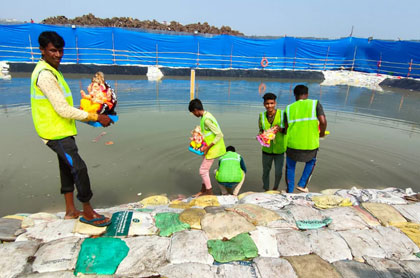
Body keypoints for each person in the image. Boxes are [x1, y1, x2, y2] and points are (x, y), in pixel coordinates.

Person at [30, 31, 113, 227]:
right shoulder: (45, 75)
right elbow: (63, 109)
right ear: (42, 50)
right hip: (55, 132)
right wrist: (96, 117)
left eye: (60, 50)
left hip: (60, 129)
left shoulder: (52, 70)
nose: (58, 55)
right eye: (53, 51)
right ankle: (88, 212)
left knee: (66, 169)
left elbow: (64, 108)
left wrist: (91, 117)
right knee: (78, 168)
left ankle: (70, 210)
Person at [284, 85, 327, 193]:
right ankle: (302, 185)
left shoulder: (288, 108)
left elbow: (285, 128)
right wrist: (321, 133)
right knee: (311, 162)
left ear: (295, 95)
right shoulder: (314, 104)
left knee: (290, 167)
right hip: (310, 144)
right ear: (307, 94)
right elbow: (323, 122)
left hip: (292, 144)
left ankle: (289, 190)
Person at [188, 98, 226, 196]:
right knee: (205, 170)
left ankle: (209, 192)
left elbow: (219, 134)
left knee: (203, 171)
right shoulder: (205, 116)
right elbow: (207, 133)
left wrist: (207, 148)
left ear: (196, 110)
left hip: (213, 149)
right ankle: (203, 190)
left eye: (193, 112)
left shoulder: (206, 120)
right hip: (209, 148)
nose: (193, 114)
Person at [258, 92, 287, 191]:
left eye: (271, 103)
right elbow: (261, 130)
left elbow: (287, 130)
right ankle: (266, 189)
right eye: (267, 103)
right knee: (266, 171)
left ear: (275, 103)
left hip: (279, 149)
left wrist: (280, 129)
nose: (269, 106)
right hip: (266, 149)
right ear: (264, 104)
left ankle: (275, 188)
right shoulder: (261, 116)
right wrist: (261, 136)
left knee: (278, 172)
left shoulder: (282, 114)